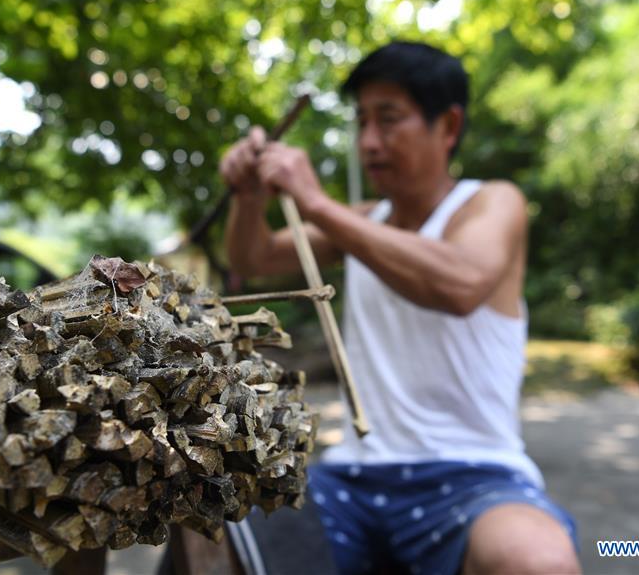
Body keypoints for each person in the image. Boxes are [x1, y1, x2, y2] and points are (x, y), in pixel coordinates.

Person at [219, 41, 581, 575]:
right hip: (355, 478)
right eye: (362, 122)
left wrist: (316, 202)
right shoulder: (366, 220)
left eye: (389, 120)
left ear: (449, 126)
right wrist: (249, 195)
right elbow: (252, 258)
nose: (368, 141)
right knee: (220, 536)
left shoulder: (491, 202)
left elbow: (460, 283)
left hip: (475, 477)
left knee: (537, 561)